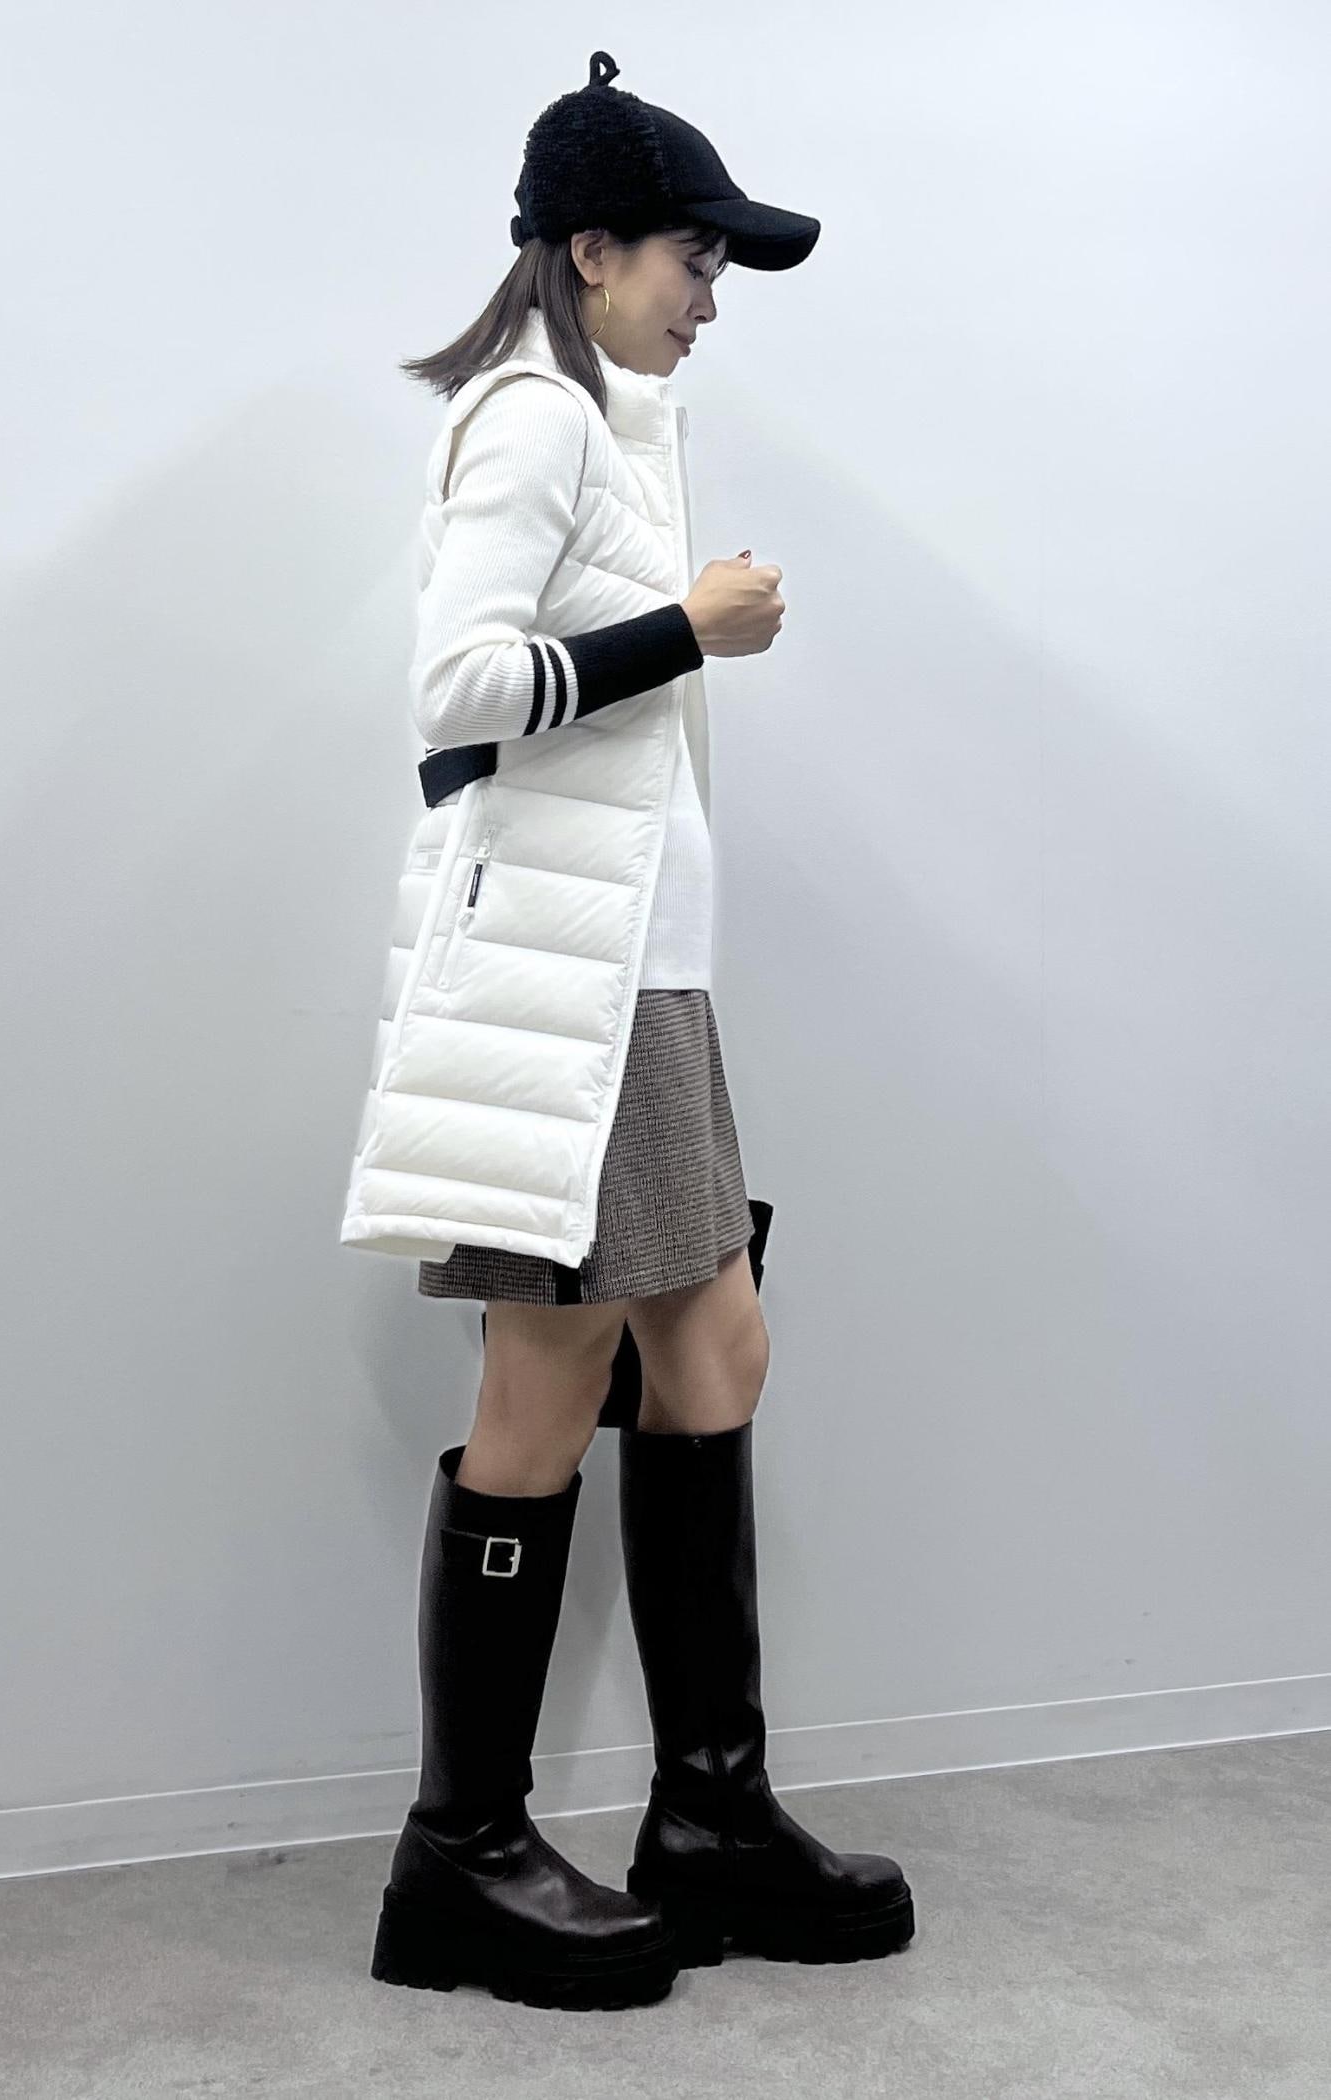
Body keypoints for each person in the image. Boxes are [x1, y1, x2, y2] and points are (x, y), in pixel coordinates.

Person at [355, 51, 916, 2009]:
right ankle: (461, 1856)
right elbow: (452, 692)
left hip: (644, 979)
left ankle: (710, 1814)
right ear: (589, 251)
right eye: (693, 259)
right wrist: (687, 628)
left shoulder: (621, 419)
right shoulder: (532, 420)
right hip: (562, 992)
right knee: (548, 1374)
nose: (710, 295)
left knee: (715, 1345)